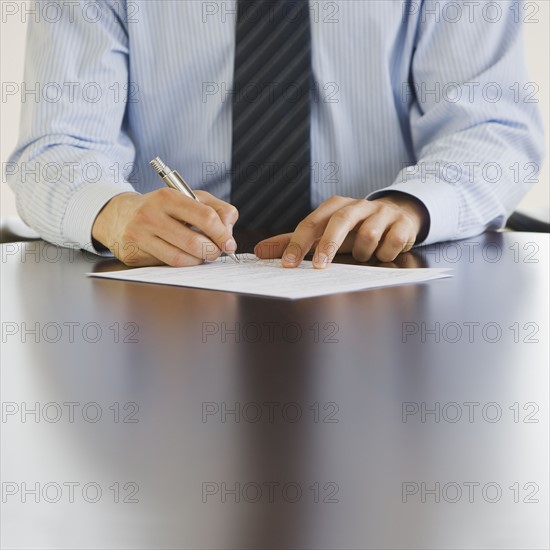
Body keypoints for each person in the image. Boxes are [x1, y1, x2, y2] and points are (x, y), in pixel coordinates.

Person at [7, 0, 544, 269]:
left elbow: (491, 126)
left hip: (380, 280)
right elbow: (56, 145)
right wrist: (113, 211)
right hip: (168, 296)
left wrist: (410, 205)